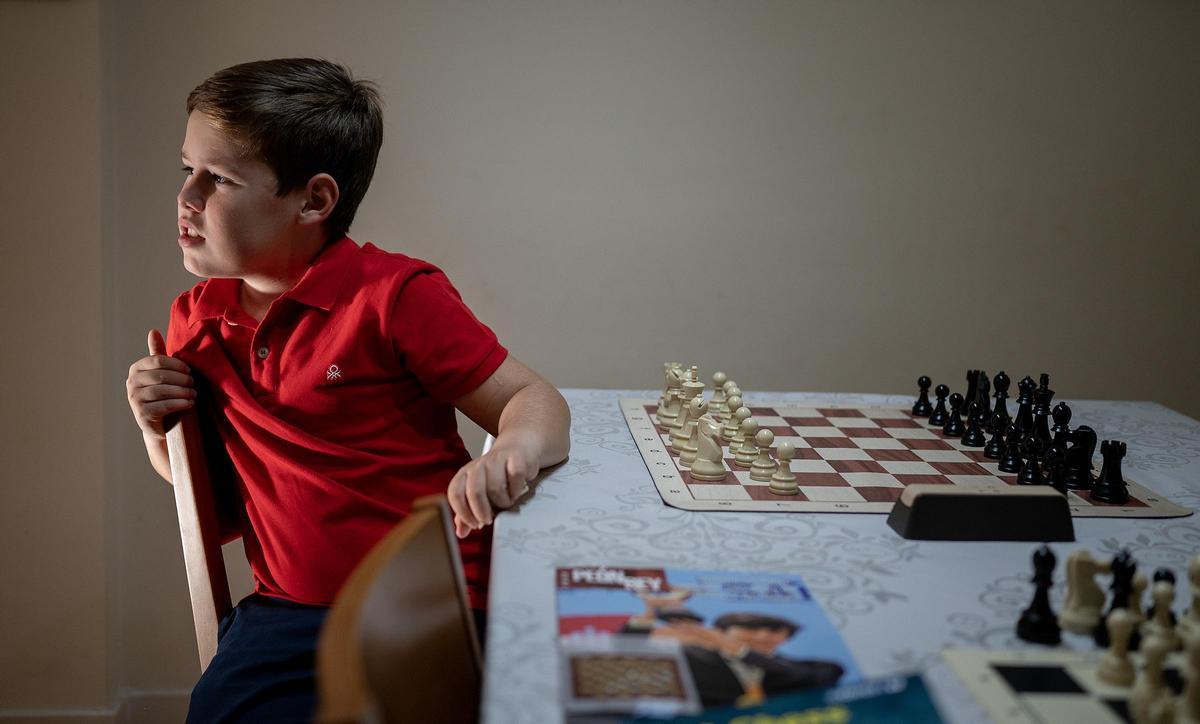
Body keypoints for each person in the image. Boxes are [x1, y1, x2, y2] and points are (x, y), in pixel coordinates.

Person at [124, 58, 571, 723]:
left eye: (218, 179)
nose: (187, 198)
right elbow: (213, 515)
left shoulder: (394, 296)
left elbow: (535, 401)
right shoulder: (195, 320)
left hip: (438, 605)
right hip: (289, 613)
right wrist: (156, 431)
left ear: (314, 200)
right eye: (185, 170)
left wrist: (513, 450)